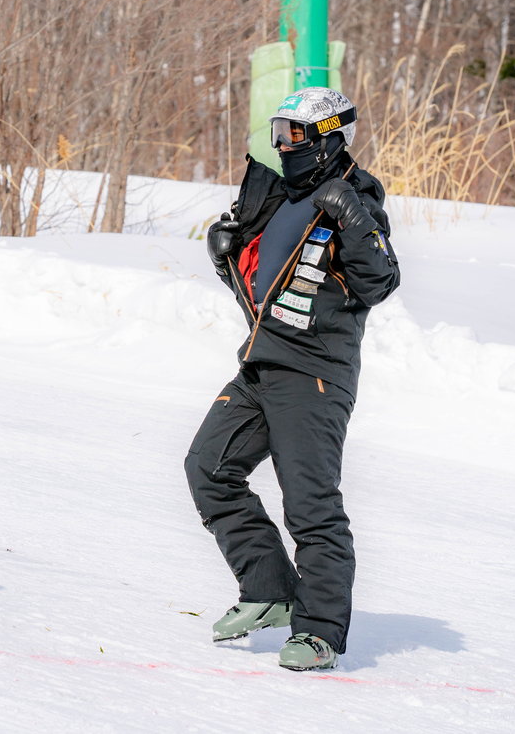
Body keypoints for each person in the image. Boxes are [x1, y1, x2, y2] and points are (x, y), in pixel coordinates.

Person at [184, 87, 399, 670]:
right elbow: (269, 299)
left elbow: (378, 281)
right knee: (209, 468)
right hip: (261, 364)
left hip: (315, 378)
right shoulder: (282, 200)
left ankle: (319, 631)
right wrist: (227, 261)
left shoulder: (356, 198)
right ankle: (269, 592)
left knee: (310, 505)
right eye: (278, 133)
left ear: (329, 136)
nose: (283, 145)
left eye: (296, 134)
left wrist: (352, 217)